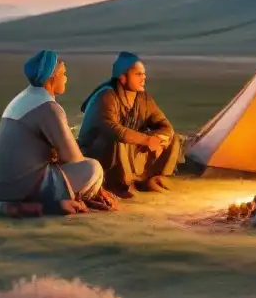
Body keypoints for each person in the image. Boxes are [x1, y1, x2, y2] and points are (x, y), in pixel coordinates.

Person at [0, 50, 114, 216]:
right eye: (63, 73)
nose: (66, 78)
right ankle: (56, 201)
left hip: (1, 186)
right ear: (51, 77)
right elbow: (72, 157)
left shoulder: (22, 98)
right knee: (93, 168)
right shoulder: (48, 107)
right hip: (22, 188)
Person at [77, 52, 182, 198]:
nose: (143, 78)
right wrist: (146, 140)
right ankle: (120, 184)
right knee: (118, 140)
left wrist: (158, 140)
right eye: (138, 74)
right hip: (100, 151)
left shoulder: (143, 98)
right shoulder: (106, 95)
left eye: (144, 74)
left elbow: (165, 126)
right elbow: (113, 129)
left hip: (129, 149)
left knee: (173, 138)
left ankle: (152, 177)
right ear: (122, 77)